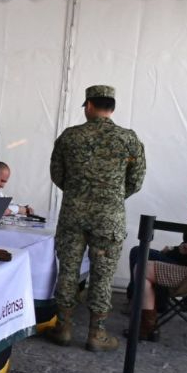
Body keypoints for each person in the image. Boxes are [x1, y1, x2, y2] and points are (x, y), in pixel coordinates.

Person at [48, 85, 146, 351]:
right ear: (111, 108)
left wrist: (79, 193)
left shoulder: (70, 137)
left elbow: (57, 174)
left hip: (73, 215)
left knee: (68, 271)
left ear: (89, 105)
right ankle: (96, 334)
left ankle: (64, 328)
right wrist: (111, 196)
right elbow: (135, 181)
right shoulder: (128, 139)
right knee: (102, 277)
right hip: (109, 218)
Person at [126, 184, 187, 302]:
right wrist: (172, 249)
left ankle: (136, 299)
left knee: (138, 251)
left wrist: (172, 251)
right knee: (142, 252)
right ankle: (146, 299)